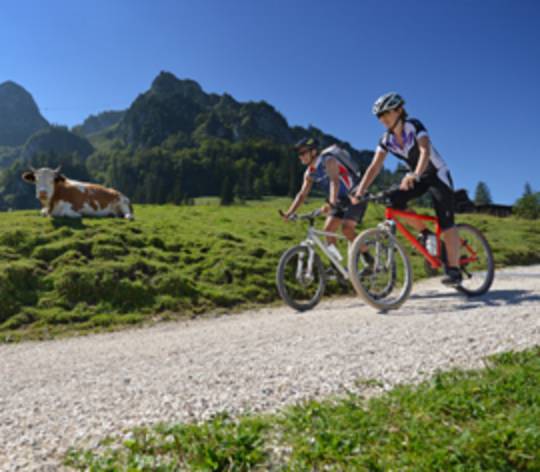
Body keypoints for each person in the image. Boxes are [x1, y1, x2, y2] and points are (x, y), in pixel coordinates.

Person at [351, 92, 462, 285]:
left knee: (446, 223)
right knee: (394, 201)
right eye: (379, 116)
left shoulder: (414, 125)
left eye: (386, 113)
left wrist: (414, 174)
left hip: (436, 174)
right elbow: (374, 167)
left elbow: (424, 151)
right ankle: (426, 233)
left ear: (399, 110)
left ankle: (454, 270)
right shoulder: (386, 140)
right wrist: (360, 190)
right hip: (417, 176)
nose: (382, 119)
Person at [282, 137, 368, 260]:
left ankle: (369, 259)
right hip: (339, 200)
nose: (300, 156)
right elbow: (302, 194)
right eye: (298, 154)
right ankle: (337, 265)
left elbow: (335, 182)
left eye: (303, 153)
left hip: (355, 194)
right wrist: (289, 212)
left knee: (347, 229)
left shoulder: (328, 160)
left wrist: (331, 204)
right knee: (328, 231)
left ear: (313, 152)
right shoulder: (309, 173)